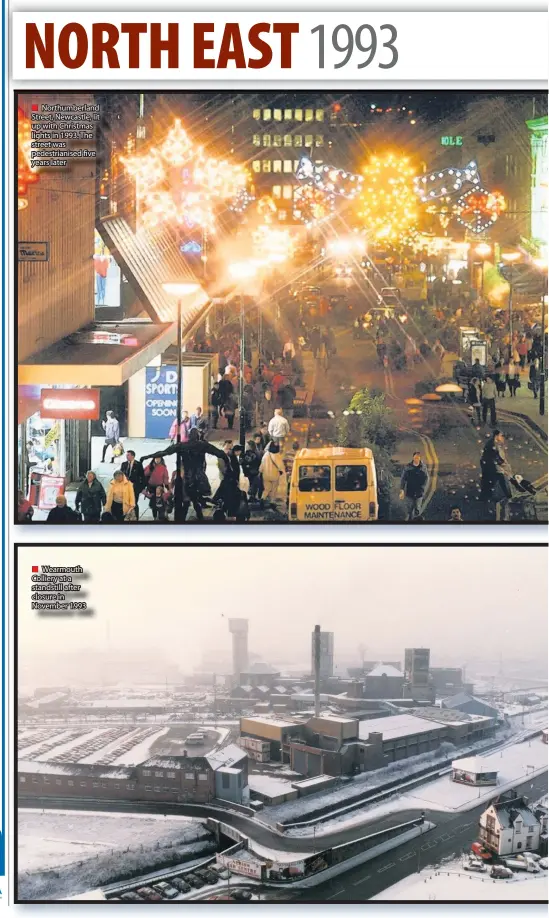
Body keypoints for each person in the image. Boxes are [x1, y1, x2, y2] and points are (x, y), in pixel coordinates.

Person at [480, 430, 512, 503]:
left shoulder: (493, 443)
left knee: (492, 482)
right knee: (497, 480)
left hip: (489, 466)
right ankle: (508, 495)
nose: (501, 437)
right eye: (501, 435)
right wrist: (502, 462)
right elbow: (494, 456)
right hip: (490, 466)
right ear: (496, 436)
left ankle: (485, 498)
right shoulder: (492, 444)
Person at [399, 452, 430, 521]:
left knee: (417, 509)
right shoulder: (408, 467)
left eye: (418, 457)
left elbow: (426, 478)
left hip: (419, 492)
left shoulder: (423, 467)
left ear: (420, 458)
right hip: (410, 491)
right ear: (413, 458)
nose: (416, 459)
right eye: (415, 457)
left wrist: (423, 488)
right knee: (410, 509)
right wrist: (402, 489)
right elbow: (403, 478)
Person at [260, 442, 287, 508]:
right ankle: (272, 502)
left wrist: (260, 471)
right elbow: (280, 465)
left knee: (267, 488)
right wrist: (282, 471)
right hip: (274, 475)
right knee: (274, 489)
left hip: (265, 475)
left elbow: (262, 465)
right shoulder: (277, 455)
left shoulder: (266, 454)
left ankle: (262, 498)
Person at [121, 450, 145, 520]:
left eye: (128, 455)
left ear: (132, 456)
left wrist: (141, 488)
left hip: (134, 488)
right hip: (125, 488)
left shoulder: (138, 464)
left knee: (134, 503)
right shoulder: (124, 464)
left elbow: (142, 477)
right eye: (126, 455)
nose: (126, 456)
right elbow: (121, 475)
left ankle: (135, 518)